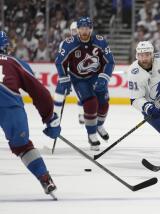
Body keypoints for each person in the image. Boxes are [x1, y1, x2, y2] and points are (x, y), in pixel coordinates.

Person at [0, 31, 61, 198]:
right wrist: (49, 118)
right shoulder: (14, 63)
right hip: (9, 106)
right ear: (6, 47)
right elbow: (39, 91)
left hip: (9, 105)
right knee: (22, 145)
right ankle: (44, 178)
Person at [55, 17, 115, 151]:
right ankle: (92, 134)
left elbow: (110, 61)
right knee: (90, 103)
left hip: (96, 77)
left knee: (104, 103)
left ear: (91, 29)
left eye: (87, 28)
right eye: (82, 28)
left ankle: (99, 125)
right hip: (79, 79)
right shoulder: (69, 43)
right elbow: (60, 62)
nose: (84, 31)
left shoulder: (100, 41)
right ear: (77, 29)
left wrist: (104, 77)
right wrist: (64, 79)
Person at [54, 21, 85, 125]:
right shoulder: (64, 43)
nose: (75, 32)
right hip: (66, 72)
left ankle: (81, 114)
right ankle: (56, 116)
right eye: (73, 30)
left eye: (76, 30)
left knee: (82, 94)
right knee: (59, 93)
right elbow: (60, 60)